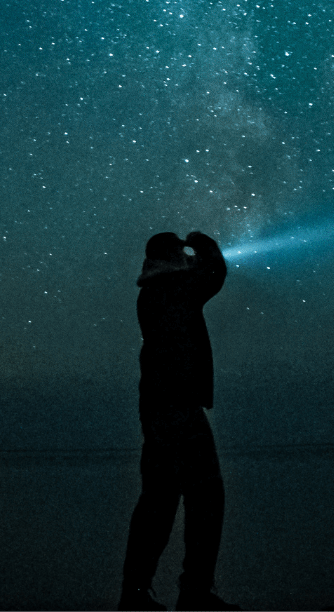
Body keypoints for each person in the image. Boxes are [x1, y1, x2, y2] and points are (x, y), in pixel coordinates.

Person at [120, 230, 239, 612]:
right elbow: (214, 273)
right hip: (178, 412)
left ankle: (135, 595)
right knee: (206, 497)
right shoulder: (175, 289)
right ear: (173, 259)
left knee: (158, 502)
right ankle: (195, 594)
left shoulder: (152, 294)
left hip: (156, 411)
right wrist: (201, 241)